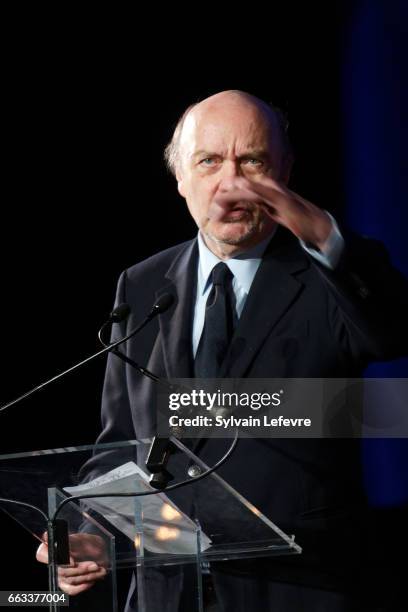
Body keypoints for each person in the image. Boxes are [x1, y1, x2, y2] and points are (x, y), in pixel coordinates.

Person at [37, 90, 408, 610]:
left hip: (300, 589)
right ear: (181, 178)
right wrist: (91, 532)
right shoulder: (143, 285)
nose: (230, 183)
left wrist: (322, 233)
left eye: (252, 161)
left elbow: (391, 331)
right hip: (168, 590)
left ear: (284, 171)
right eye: (208, 161)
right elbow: (121, 444)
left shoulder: (331, 273)